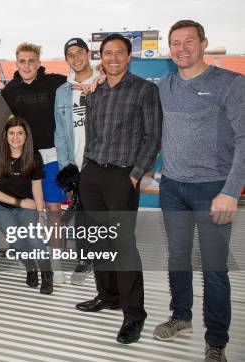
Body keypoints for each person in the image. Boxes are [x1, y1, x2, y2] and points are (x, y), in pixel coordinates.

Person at [153, 20, 244, 362]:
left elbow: (244, 140)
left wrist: (231, 191)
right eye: (175, 43)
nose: (182, 48)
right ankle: (181, 316)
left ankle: (216, 341)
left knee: (214, 267)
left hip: (213, 189)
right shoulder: (164, 85)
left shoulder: (230, 84)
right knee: (177, 258)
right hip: (173, 188)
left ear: (204, 43)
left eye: (189, 41)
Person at [75, 34, 162, 345]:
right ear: (102, 57)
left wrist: (135, 177)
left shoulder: (144, 89)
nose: (113, 57)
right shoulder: (95, 93)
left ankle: (133, 314)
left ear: (129, 57)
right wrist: (86, 169)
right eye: (107, 52)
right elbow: (92, 134)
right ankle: (108, 296)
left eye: (119, 52)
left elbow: (152, 137)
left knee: (124, 246)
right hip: (93, 174)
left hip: (123, 177)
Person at [1, 42, 67, 283]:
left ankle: (56, 262)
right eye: (22, 61)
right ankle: (33, 258)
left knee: (53, 211)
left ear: (39, 63)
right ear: (16, 63)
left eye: (31, 61)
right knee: (27, 210)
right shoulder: (9, 91)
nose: (27, 65)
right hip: (26, 158)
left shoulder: (56, 82)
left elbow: (82, 84)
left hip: (52, 156)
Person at [0, 117, 53, 294]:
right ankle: (31, 267)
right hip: (1, 206)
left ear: (26, 136)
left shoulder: (34, 156)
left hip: (27, 206)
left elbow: (37, 188)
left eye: (20, 133)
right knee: (16, 241)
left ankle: (47, 273)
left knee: (35, 240)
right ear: (5, 135)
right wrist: (19, 202)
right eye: (12, 133)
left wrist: (41, 214)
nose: (16, 137)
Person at [54, 38, 100, 285]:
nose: (75, 57)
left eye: (79, 52)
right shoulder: (62, 91)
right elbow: (60, 133)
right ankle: (85, 260)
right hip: (77, 163)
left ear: (88, 53)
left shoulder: (103, 82)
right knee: (82, 216)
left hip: (102, 162)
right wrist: (66, 168)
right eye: (70, 54)